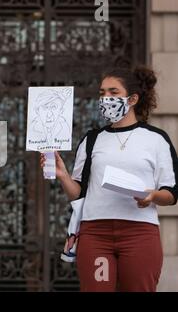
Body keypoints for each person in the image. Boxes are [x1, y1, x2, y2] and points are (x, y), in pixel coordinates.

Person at [41, 65, 178, 291]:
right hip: (95, 233)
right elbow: (80, 193)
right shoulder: (92, 140)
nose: (105, 99)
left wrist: (152, 196)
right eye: (102, 93)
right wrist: (62, 175)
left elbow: (171, 193)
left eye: (113, 93)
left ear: (132, 99)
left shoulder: (156, 139)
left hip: (139, 233)